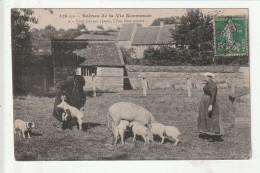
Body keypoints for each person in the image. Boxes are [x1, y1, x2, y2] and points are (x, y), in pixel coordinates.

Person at [198, 72, 224, 142]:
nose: (204, 79)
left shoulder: (212, 85)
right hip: (205, 102)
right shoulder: (207, 84)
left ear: (209, 77)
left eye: (205, 78)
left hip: (210, 102)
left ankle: (212, 136)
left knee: (211, 118)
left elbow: (213, 95)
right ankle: (207, 133)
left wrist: (211, 105)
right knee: (206, 117)